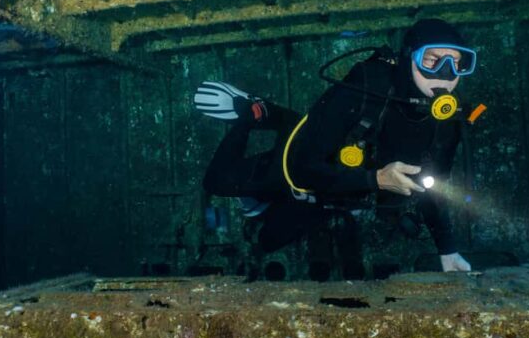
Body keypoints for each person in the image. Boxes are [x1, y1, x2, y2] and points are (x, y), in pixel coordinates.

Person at [195, 18, 475, 274]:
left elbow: (432, 184)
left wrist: (447, 249)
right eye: (433, 60)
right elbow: (301, 167)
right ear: (408, 57)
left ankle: (272, 192)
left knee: (267, 240)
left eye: (457, 64)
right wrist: (376, 179)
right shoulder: (365, 86)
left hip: (335, 192)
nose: (445, 74)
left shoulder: (447, 122)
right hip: (307, 165)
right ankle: (255, 112)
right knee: (217, 181)